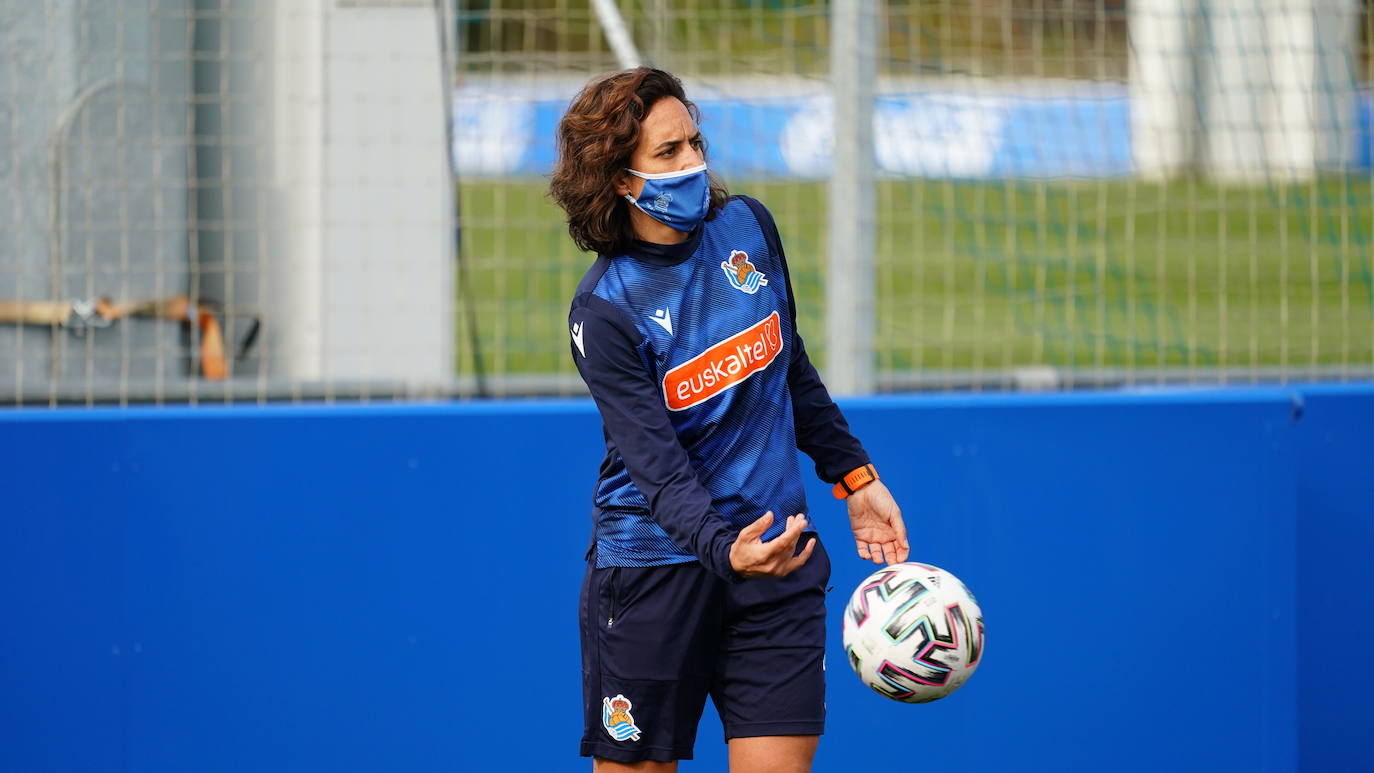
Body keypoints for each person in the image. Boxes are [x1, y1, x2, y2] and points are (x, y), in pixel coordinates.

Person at [550, 67, 909, 773]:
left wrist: (855, 475)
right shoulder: (605, 311)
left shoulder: (747, 226)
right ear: (620, 179)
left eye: (695, 142)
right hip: (654, 575)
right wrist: (724, 549)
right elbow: (657, 466)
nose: (693, 164)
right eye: (668, 153)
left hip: (777, 557)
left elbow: (790, 368)